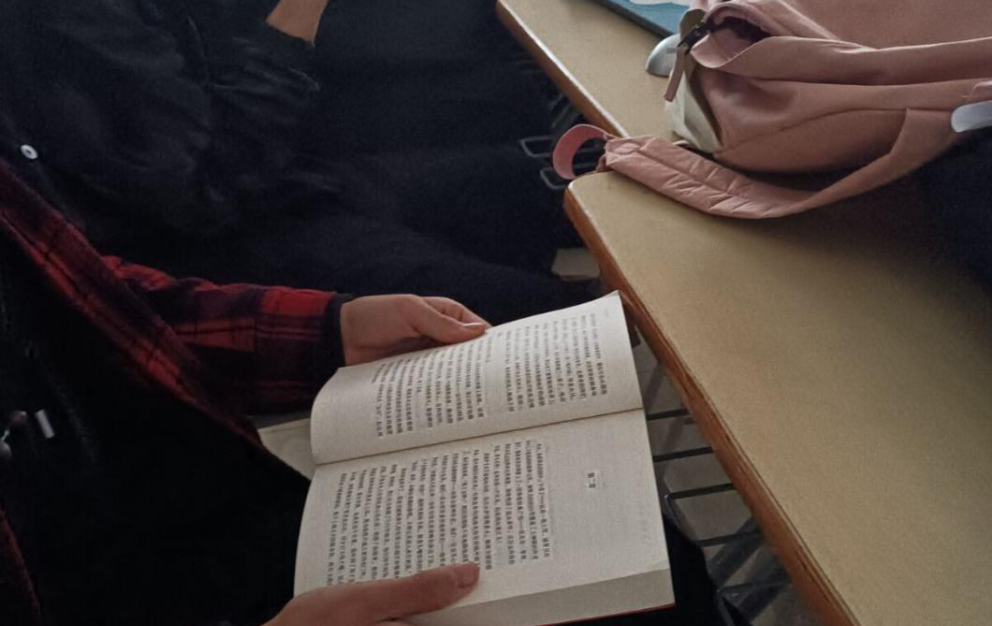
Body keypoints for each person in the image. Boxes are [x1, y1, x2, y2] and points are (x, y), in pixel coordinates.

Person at [0, 158, 718, 625]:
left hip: (193, 517)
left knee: (643, 559)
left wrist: (329, 329)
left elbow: (94, 297)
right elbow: (194, 176)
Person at [0, 0, 586, 325]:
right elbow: (206, 183)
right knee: (560, 315)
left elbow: (189, 73)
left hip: (263, 179)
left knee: (552, 183)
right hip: (197, 244)